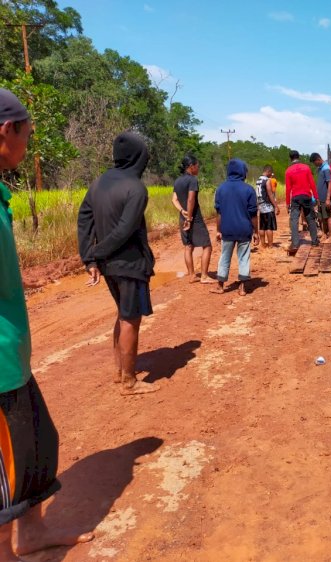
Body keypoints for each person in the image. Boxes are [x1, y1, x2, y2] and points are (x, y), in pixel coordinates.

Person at [0, 88, 94, 561]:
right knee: (6, 470)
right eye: (27, 135)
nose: (28, 146)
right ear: (5, 131)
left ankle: (31, 532)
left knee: (38, 444)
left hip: (12, 358)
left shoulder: (0, 191)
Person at [78, 132, 160, 395]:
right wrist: (98, 252)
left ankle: (119, 372)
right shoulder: (136, 188)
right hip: (130, 262)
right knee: (130, 319)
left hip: (108, 265)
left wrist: (90, 257)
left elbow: (84, 220)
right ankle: (129, 381)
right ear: (138, 157)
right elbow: (125, 229)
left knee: (122, 315)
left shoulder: (98, 183)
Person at [212, 159, 259, 295]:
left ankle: (220, 286)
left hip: (227, 229)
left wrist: (218, 230)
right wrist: (255, 231)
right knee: (244, 257)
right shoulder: (249, 190)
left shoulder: (221, 189)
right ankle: (243, 287)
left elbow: (219, 214)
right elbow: (253, 214)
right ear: (242, 172)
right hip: (244, 229)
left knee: (225, 256)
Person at [171, 155, 214, 283]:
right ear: (191, 166)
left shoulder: (177, 181)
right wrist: (189, 218)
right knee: (207, 246)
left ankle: (191, 275)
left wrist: (182, 211)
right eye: (197, 165)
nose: (198, 168)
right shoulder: (193, 180)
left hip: (182, 216)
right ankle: (204, 276)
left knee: (188, 246)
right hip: (194, 219)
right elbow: (191, 199)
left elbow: (174, 199)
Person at [285, 150, 319, 253]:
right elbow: (312, 183)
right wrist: (316, 197)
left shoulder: (288, 171)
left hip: (295, 197)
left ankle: (295, 244)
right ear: (298, 157)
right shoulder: (306, 168)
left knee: (294, 220)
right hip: (306, 196)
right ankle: (314, 241)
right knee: (310, 218)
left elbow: (288, 189)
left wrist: (287, 203)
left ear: (290, 158)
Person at [255, 165, 280, 249]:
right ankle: (270, 245)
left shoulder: (258, 180)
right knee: (269, 226)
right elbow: (270, 194)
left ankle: (263, 244)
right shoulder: (267, 180)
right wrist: (276, 206)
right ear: (268, 171)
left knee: (262, 226)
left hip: (261, 205)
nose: (271, 175)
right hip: (267, 205)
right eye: (270, 173)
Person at [310, 153, 331, 241]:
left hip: (325, 198)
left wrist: (328, 198)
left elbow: (329, 183)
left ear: (318, 159)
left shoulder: (326, 168)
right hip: (320, 198)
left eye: (314, 162)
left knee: (329, 217)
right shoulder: (320, 168)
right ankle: (324, 234)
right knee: (322, 217)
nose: (314, 164)